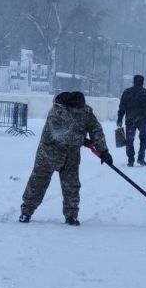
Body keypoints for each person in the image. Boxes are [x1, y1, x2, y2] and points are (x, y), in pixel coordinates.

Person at [19, 91, 112, 226]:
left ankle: (71, 216)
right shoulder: (56, 112)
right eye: (78, 108)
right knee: (37, 183)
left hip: (71, 155)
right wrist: (85, 141)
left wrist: (104, 150)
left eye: (82, 107)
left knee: (72, 186)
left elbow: (96, 129)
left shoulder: (85, 112)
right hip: (48, 153)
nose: (81, 110)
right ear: (69, 106)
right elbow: (60, 135)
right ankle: (26, 212)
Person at [116, 74, 146, 166]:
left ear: (133, 82)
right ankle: (141, 158)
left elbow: (122, 107)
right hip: (143, 120)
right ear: (142, 82)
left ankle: (131, 160)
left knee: (129, 140)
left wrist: (119, 119)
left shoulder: (127, 92)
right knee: (143, 139)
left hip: (130, 119)